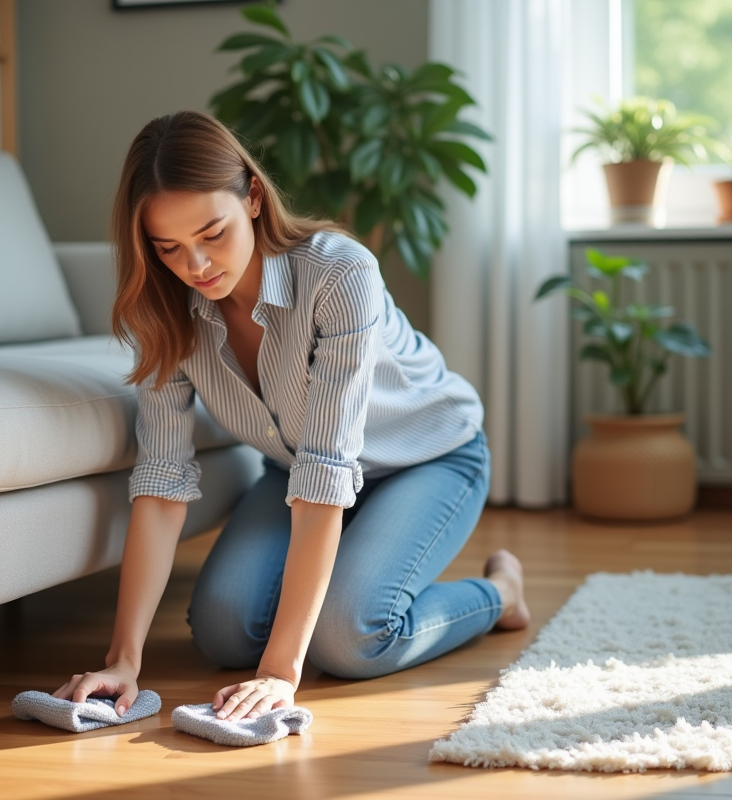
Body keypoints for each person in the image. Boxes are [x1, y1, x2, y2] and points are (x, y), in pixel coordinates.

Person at [52, 110, 529, 724]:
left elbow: (329, 470)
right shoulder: (165, 312)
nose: (196, 265)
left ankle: (500, 594)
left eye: (211, 233)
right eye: (168, 247)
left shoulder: (339, 273)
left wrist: (280, 674)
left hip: (429, 458)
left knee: (347, 639)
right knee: (222, 632)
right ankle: (353, 570)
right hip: (294, 470)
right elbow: (163, 483)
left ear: (252, 195)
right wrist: (123, 660)